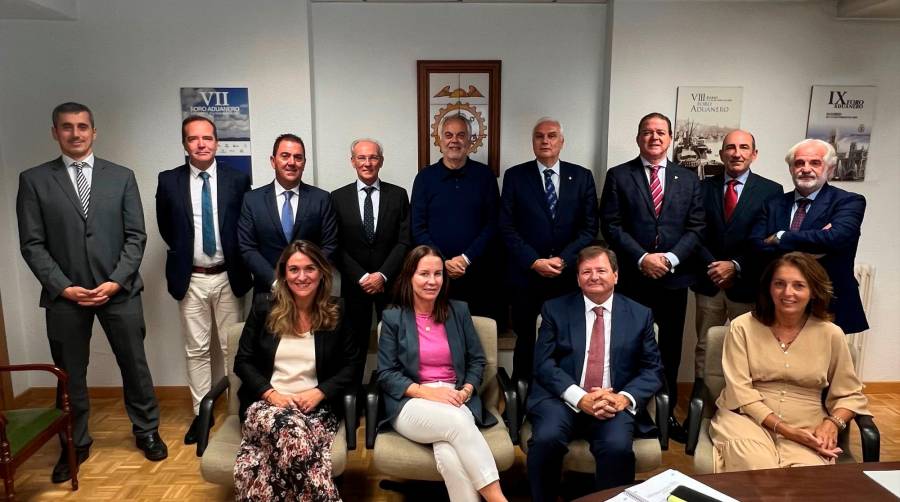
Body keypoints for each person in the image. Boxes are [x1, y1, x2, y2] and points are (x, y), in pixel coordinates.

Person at [16, 102, 166, 483]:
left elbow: (137, 236)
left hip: (120, 291)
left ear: (94, 131)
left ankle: (146, 430)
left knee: (135, 365)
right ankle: (74, 442)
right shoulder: (34, 180)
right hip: (65, 297)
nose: (76, 133)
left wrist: (116, 280)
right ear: (55, 132)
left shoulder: (122, 177)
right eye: (67, 127)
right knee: (71, 375)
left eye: (83, 126)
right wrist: (64, 287)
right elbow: (32, 244)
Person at [709, 252, 870, 472]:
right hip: (745, 419)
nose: (788, 293)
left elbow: (849, 394)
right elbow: (740, 391)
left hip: (807, 426)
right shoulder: (742, 327)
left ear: (813, 291)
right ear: (769, 288)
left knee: (806, 481)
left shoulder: (831, 334)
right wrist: (785, 430)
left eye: (798, 286)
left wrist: (833, 423)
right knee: (758, 470)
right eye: (780, 284)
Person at [599, 112, 704, 442]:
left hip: (673, 280)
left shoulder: (688, 179)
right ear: (638, 138)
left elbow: (697, 228)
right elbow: (611, 226)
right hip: (633, 278)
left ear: (670, 138)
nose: (654, 137)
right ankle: (632, 411)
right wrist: (642, 257)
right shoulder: (618, 176)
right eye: (647, 132)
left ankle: (667, 413)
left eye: (660, 132)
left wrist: (669, 259)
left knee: (669, 350)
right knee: (628, 348)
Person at [526, 246, 664, 498]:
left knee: (617, 447)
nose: (594, 276)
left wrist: (623, 398)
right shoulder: (554, 309)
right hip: (562, 399)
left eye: (601, 270)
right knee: (546, 440)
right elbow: (543, 364)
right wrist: (580, 398)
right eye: (586, 272)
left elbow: (652, 369)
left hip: (614, 401)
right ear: (578, 278)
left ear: (616, 275)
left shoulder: (639, 314)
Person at [376, 245, 507, 502]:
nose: (432, 281)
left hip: (456, 397)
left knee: (448, 452)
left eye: (438, 274)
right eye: (424, 274)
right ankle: (498, 499)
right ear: (409, 276)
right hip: (412, 401)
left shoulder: (458, 311)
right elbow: (386, 374)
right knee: (458, 423)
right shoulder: (394, 317)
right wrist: (429, 393)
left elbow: (477, 361)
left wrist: (466, 390)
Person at [233, 240, 360, 501]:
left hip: (316, 409)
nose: (302, 276)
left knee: (257, 468)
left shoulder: (337, 310)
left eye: (310, 268)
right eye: (294, 269)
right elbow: (242, 361)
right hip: (266, 407)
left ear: (322, 273)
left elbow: (352, 365)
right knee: (292, 435)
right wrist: (270, 394)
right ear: (283, 274)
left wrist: (320, 392)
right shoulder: (263, 307)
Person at [155, 115, 252, 444]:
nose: (201, 144)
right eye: (194, 138)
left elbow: (243, 227)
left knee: (232, 348)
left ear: (216, 142)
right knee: (196, 350)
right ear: (184, 143)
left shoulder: (237, 180)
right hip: (191, 278)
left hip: (228, 275)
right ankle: (202, 414)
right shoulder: (168, 181)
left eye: (207, 138)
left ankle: (235, 413)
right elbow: (167, 228)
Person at [500, 117, 598, 382]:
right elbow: (506, 227)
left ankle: (562, 393)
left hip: (566, 278)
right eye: (539, 136)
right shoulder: (515, 176)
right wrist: (534, 261)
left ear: (561, 142)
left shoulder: (582, 177)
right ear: (532, 142)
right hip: (526, 277)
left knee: (565, 340)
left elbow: (589, 229)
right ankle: (521, 398)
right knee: (527, 340)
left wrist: (563, 260)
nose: (545, 141)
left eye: (552, 136)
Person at [690, 130, 783, 384]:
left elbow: (767, 238)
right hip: (709, 283)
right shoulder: (700, 188)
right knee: (705, 346)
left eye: (743, 147)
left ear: (754, 154)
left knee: (749, 347)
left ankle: (742, 403)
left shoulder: (772, 191)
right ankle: (703, 402)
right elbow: (693, 232)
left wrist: (735, 265)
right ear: (721, 154)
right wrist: (715, 267)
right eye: (730, 147)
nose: (736, 153)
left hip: (749, 283)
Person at [751, 139, 868, 335]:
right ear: (791, 169)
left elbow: (836, 238)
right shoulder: (772, 203)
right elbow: (756, 245)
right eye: (799, 163)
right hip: (780, 303)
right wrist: (816, 242)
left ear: (830, 169)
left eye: (815, 163)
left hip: (829, 302)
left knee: (827, 364)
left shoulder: (849, 201)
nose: (806, 169)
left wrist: (780, 237)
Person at [410, 114, 501, 320]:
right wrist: (443, 262)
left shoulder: (485, 176)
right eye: (449, 135)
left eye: (461, 135)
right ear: (440, 140)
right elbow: (417, 227)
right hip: (436, 276)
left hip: (479, 273)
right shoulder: (425, 178)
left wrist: (466, 259)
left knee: (478, 337)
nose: (454, 140)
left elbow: (492, 223)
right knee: (439, 338)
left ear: (470, 140)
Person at [238, 133, 338, 310]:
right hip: (268, 292)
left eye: (298, 157)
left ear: (304, 163)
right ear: (273, 160)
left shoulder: (321, 199)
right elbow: (247, 247)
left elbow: (330, 244)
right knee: (269, 338)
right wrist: (276, 282)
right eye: (285, 156)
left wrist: (306, 278)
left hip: (312, 294)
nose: (291, 162)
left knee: (311, 338)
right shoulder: (252, 200)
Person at [332, 138, 410, 357]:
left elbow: (404, 241)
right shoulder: (337, 198)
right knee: (353, 347)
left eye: (373, 157)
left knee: (397, 344)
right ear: (353, 162)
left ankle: (394, 391)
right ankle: (355, 391)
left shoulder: (398, 195)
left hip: (391, 285)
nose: (367, 163)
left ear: (381, 161)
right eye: (361, 158)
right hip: (354, 285)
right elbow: (334, 244)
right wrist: (363, 277)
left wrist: (382, 275)